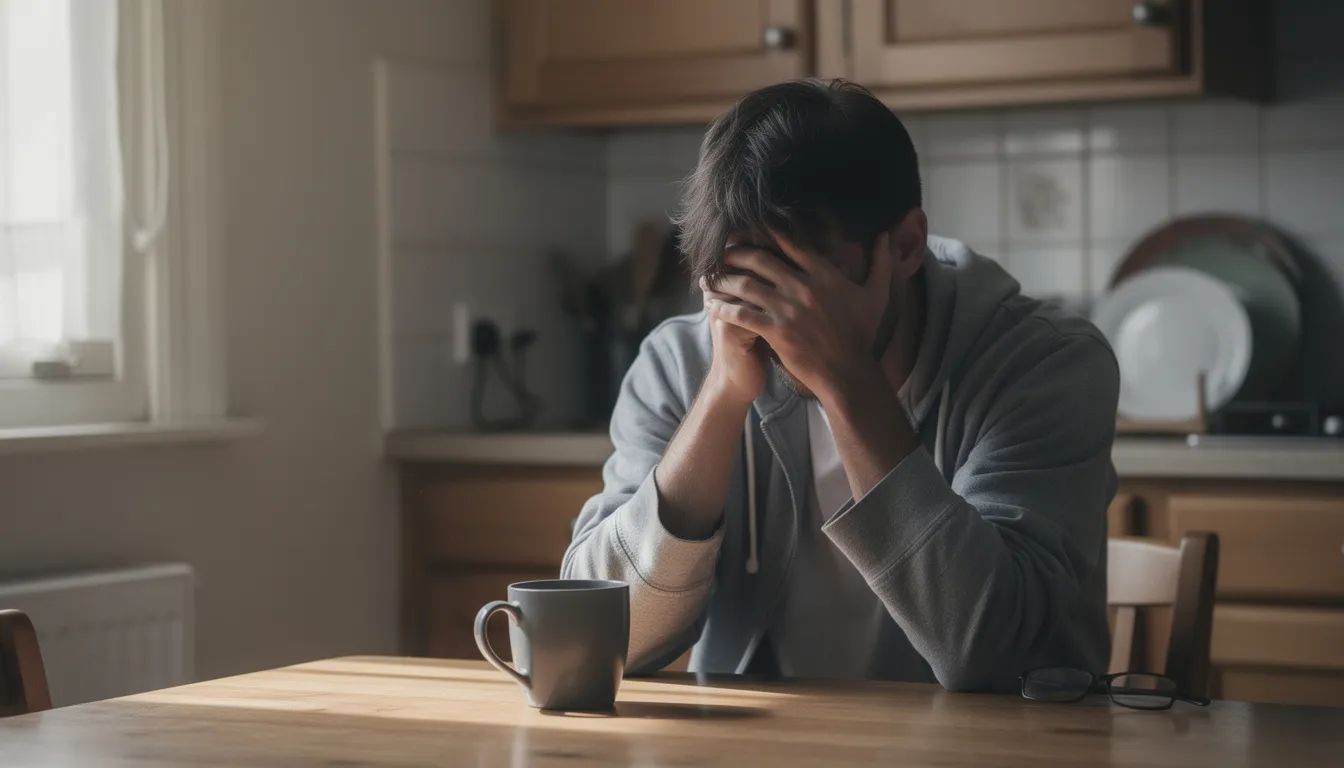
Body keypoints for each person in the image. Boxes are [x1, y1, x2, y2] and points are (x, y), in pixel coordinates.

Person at [561, 80, 1120, 691]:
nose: (772, 315)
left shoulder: (1044, 364)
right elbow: (599, 636)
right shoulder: (680, 361)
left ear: (905, 245)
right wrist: (721, 397)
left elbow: (984, 649)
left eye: (799, 277)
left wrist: (846, 382)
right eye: (742, 276)